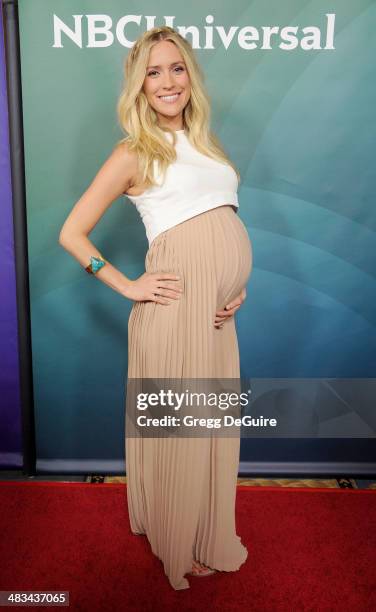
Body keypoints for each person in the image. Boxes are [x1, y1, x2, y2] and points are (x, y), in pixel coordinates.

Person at [59, 25, 252, 591]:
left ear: (190, 75)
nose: (167, 81)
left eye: (176, 68)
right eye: (153, 71)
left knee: (210, 426)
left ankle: (201, 526)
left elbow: (222, 224)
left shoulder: (208, 146)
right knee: (180, 429)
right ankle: (176, 538)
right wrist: (127, 286)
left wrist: (234, 286)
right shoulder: (132, 152)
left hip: (217, 315)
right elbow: (73, 233)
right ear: (138, 85)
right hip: (173, 314)